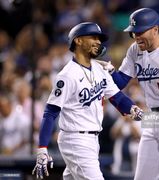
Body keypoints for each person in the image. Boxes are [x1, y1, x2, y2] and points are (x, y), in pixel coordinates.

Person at [97, 8, 159, 180]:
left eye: (140, 31)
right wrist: (110, 71)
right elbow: (121, 82)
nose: (136, 36)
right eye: (133, 32)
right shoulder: (134, 50)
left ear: (155, 29)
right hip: (152, 117)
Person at [32, 22, 143, 180]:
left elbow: (117, 98)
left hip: (91, 139)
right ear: (78, 41)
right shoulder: (67, 75)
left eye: (99, 38)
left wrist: (136, 111)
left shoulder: (99, 69)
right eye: (93, 37)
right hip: (76, 140)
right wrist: (42, 148)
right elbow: (50, 112)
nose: (98, 41)